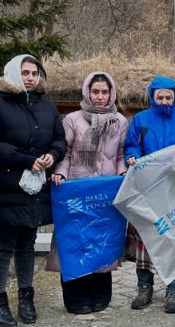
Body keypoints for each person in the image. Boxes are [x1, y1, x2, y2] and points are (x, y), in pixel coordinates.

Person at [0, 55, 66, 327]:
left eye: (34, 73)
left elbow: (60, 139)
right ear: (12, 74)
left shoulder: (47, 105)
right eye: (25, 72)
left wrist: (52, 155)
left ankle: (26, 297)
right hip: (7, 183)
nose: (30, 77)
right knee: (3, 245)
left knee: (27, 245)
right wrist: (26, 159)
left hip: (36, 186)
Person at [49, 71, 129, 314]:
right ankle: (75, 297)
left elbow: (121, 155)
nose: (100, 97)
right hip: (77, 190)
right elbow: (66, 152)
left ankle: (99, 295)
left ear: (111, 93)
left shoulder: (120, 121)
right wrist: (60, 172)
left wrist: (123, 174)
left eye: (105, 92)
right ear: (87, 92)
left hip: (106, 193)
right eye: (95, 91)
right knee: (76, 241)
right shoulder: (73, 119)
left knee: (102, 241)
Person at [123, 76, 175, 313]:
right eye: (160, 97)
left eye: (169, 97)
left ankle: (173, 289)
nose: (164, 100)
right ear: (152, 97)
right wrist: (132, 156)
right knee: (145, 237)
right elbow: (131, 145)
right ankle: (144, 287)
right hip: (146, 188)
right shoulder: (140, 119)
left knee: (172, 238)